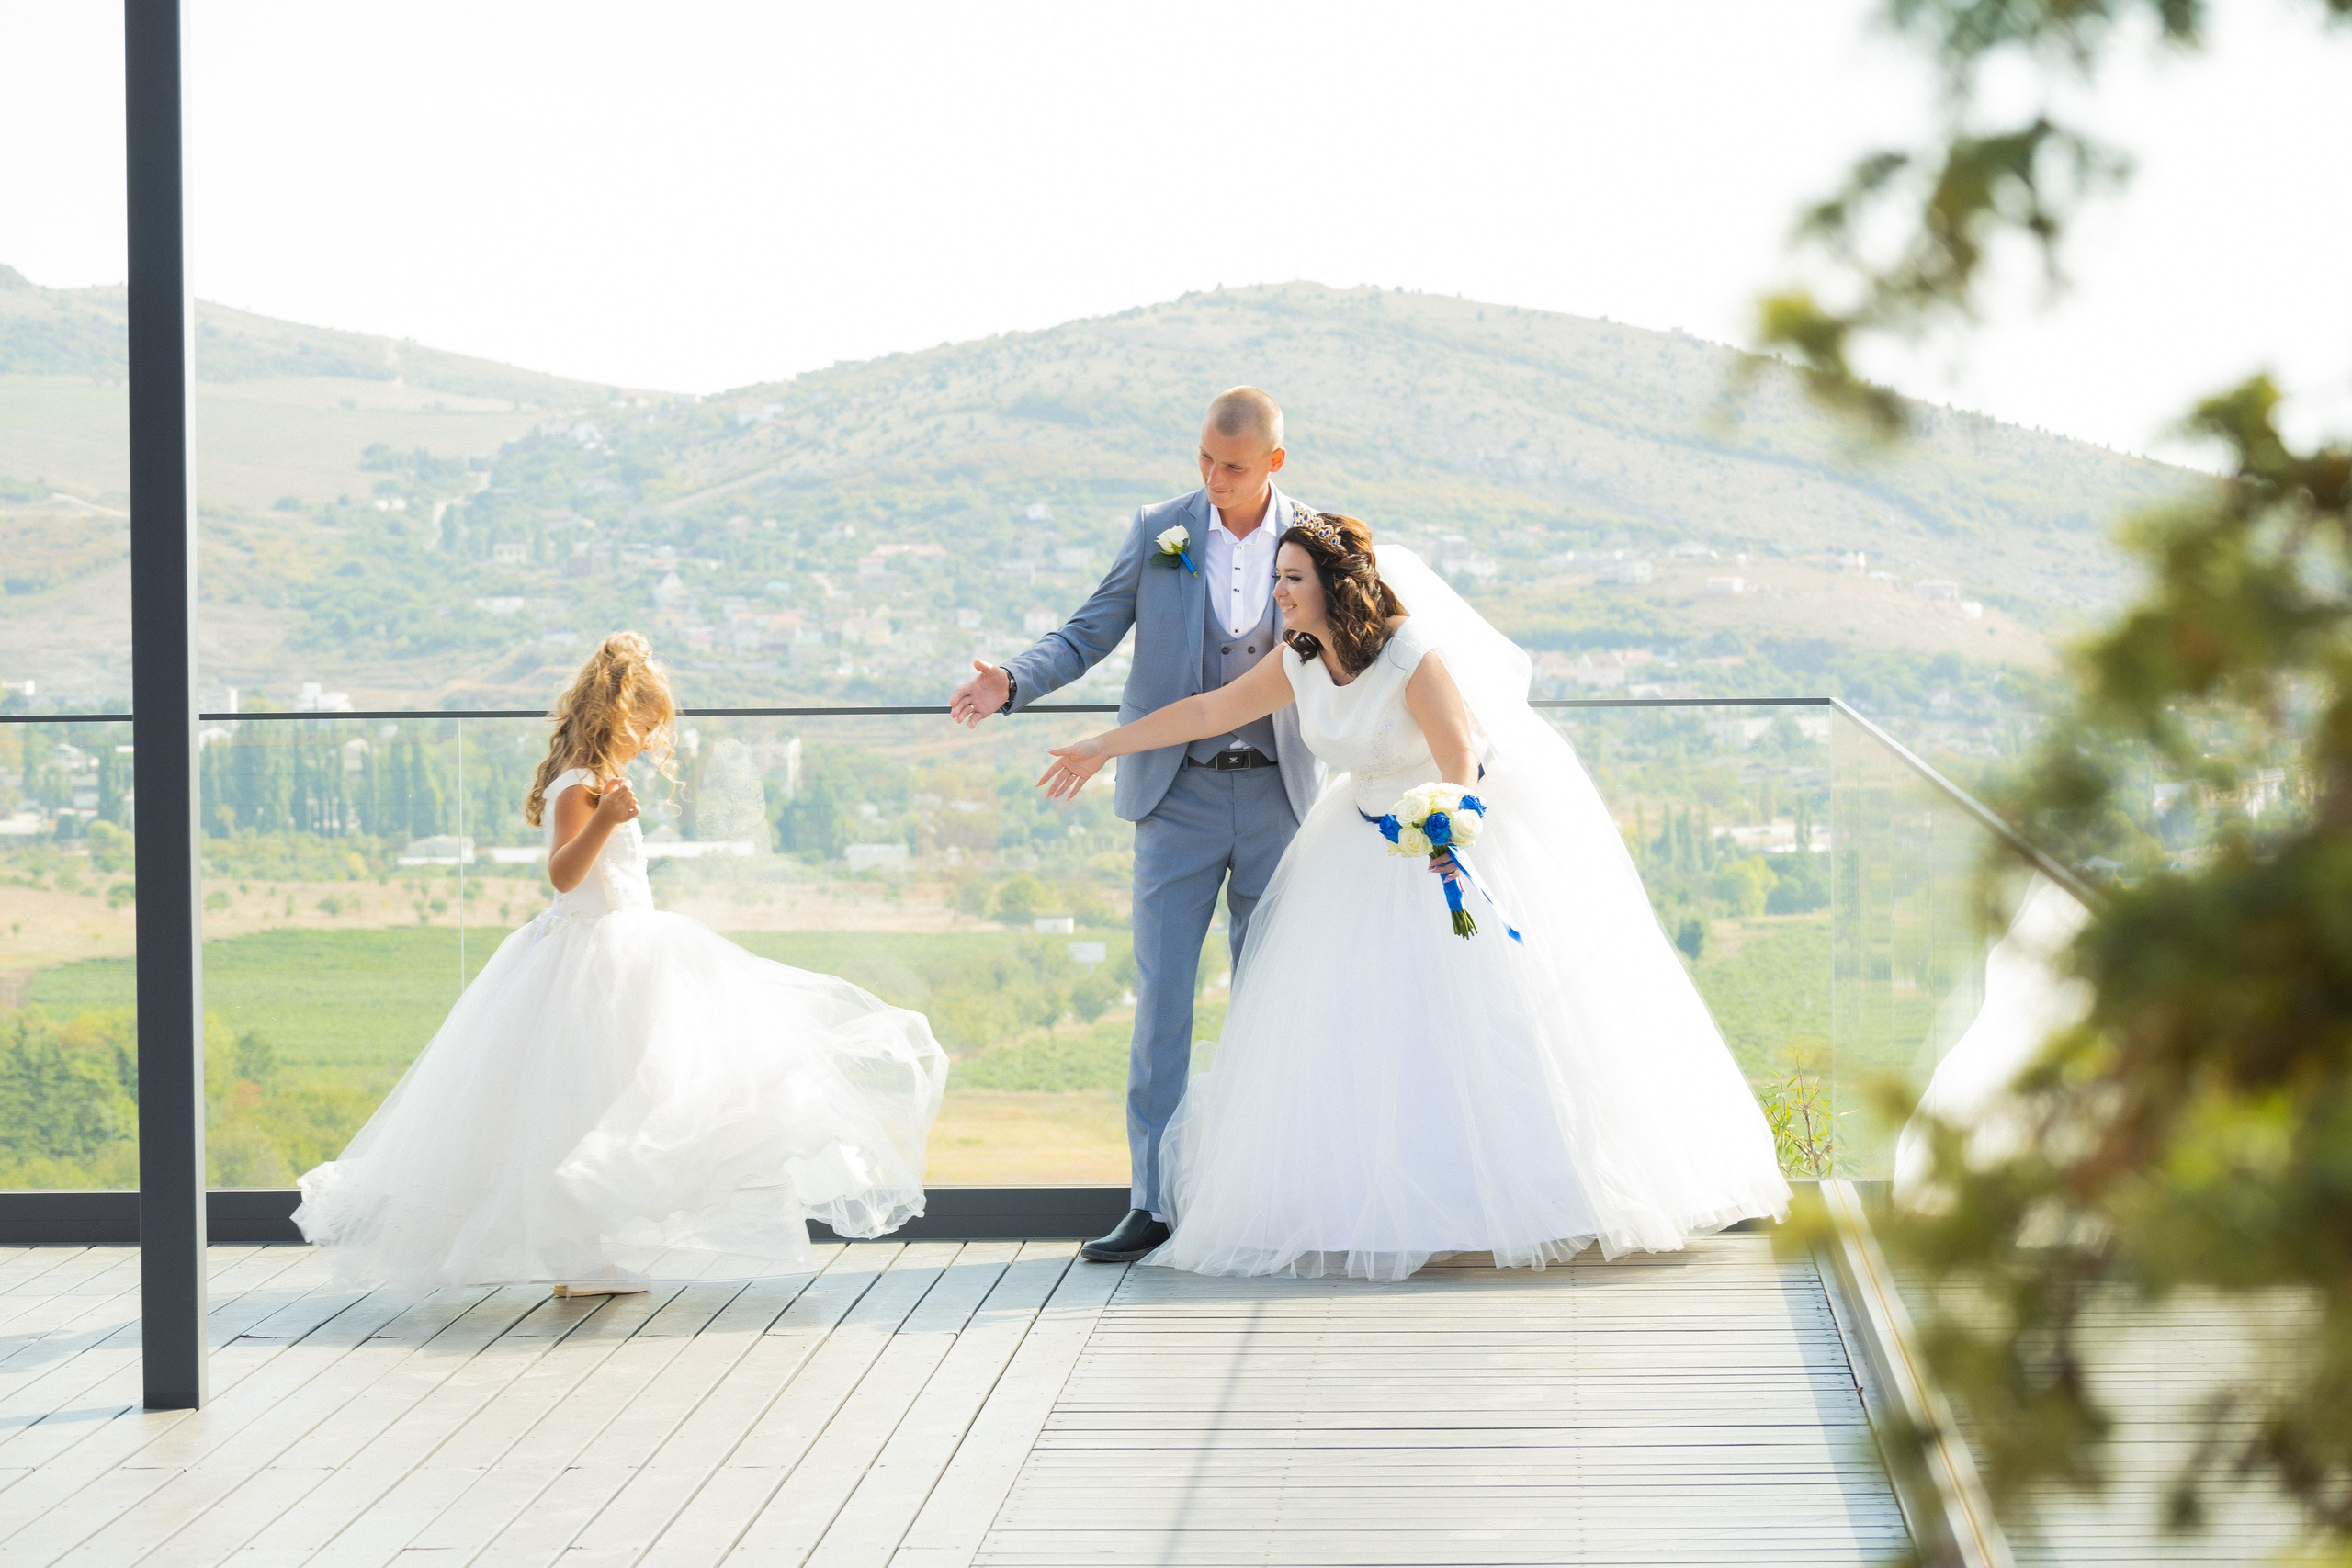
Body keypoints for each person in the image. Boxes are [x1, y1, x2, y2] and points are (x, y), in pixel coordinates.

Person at [1035, 514, 1791, 1280]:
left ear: (1334, 587)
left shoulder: (1409, 653)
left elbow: (1460, 752)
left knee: (1482, 1023)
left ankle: (1537, 1194)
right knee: (1357, 1030)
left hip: (1439, 836)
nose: (1278, 593)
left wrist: (1447, 825)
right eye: (1276, 578)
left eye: (1292, 579)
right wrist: (1104, 745)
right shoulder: (1298, 657)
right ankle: (1367, 1202)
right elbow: (1209, 711)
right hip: (1355, 843)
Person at [295, 632, 948, 1292]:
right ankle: (574, 1255)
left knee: (607, 1099)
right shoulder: (580, 784)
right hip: (593, 959)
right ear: (609, 712)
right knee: (575, 1102)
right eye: (643, 721)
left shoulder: (599, 779)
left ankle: (580, 1253)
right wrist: (604, 818)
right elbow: (563, 873)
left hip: (626, 954)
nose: (649, 735)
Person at [951, 388, 1322, 1263]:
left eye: (1232, 466)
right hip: (1175, 799)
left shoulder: (1319, 539)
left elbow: (1365, 644)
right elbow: (1088, 630)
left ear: (1273, 463)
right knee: (1161, 1002)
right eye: (1203, 459)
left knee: (1274, 1000)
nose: (1212, 478)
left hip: (1282, 798)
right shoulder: (1162, 528)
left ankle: (1266, 1190)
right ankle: (1152, 1201)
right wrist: (1012, 679)